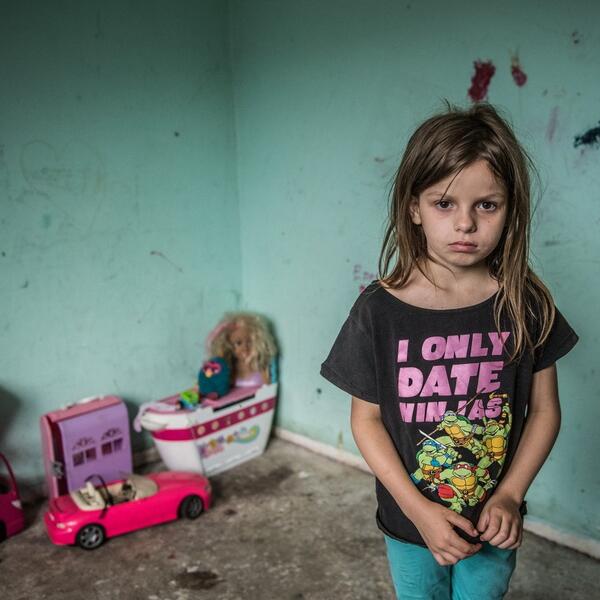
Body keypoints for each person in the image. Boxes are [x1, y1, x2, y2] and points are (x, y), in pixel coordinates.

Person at [320, 102, 579, 599]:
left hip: (493, 523)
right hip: (411, 522)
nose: (465, 224)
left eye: (487, 205)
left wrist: (510, 494)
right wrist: (418, 511)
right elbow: (366, 421)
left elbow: (545, 410)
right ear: (413, 208)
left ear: (510, 210)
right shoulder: (379, 311)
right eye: (444, 203)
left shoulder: (525, 303)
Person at [207, 312, 278, 387]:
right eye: (238, 343)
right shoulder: (229, 368)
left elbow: (269, 386)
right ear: (228, 346)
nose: (245, 347)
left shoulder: (260, 366)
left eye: (250, 342)